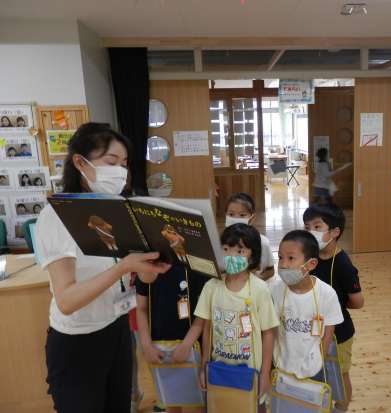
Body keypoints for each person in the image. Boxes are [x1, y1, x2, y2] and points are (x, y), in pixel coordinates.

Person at [35, 122, 171, 413]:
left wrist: (153, 265)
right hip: (77, 341)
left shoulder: (117, 208)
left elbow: (141, 277)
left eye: (124, 163)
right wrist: (123, 267)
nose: (120, 171)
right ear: (80, 162)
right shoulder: (56, 216)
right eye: (111, 162)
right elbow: (66, 300)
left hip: (117, 327)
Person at [194, 223, 279, 407]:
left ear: (252, 256)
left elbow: (268, 333)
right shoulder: (211, 286)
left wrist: (265, 373)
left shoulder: (260, 289)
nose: (231, 256)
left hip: (250, 373)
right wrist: (204, 366)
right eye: (226, 249)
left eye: (240, 251)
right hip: (219, 370)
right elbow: (207, 329)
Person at [303, 203, 364, 412]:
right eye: (307, 227)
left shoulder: (343, 264)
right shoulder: (309, 257)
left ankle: (341, 408)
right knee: (317, 371)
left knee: (339, 374)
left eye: (317, 227)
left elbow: (358, 302)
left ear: (335, 232)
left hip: (340, 333)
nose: (310, 232)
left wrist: (335, 304)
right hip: (313, 329)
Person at [271, 230, 343, 382]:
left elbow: (328, 332)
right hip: (281, 366)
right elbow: (270, 328)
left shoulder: (327, 294)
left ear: (311, 264)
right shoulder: (275, 290)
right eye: (280, 257)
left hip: (313, 368)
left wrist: (320, 358)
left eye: (291, 258)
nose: (283, 264)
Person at [136, 261, 208, 413]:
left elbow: (203, 313)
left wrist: (187, 344)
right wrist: (146, 345)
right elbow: (141, 308)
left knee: (198, 403)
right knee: (171, 401)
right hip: (159, 350)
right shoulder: (147, 267)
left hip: (191, 347)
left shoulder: (191, 266)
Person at [225, 193, 275, 285]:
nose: (236, 218)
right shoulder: (222, 243)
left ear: (252, 218)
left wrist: (257, 280)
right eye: (231, 214)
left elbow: (271, 270)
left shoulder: (263, 242)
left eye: (242, 215)